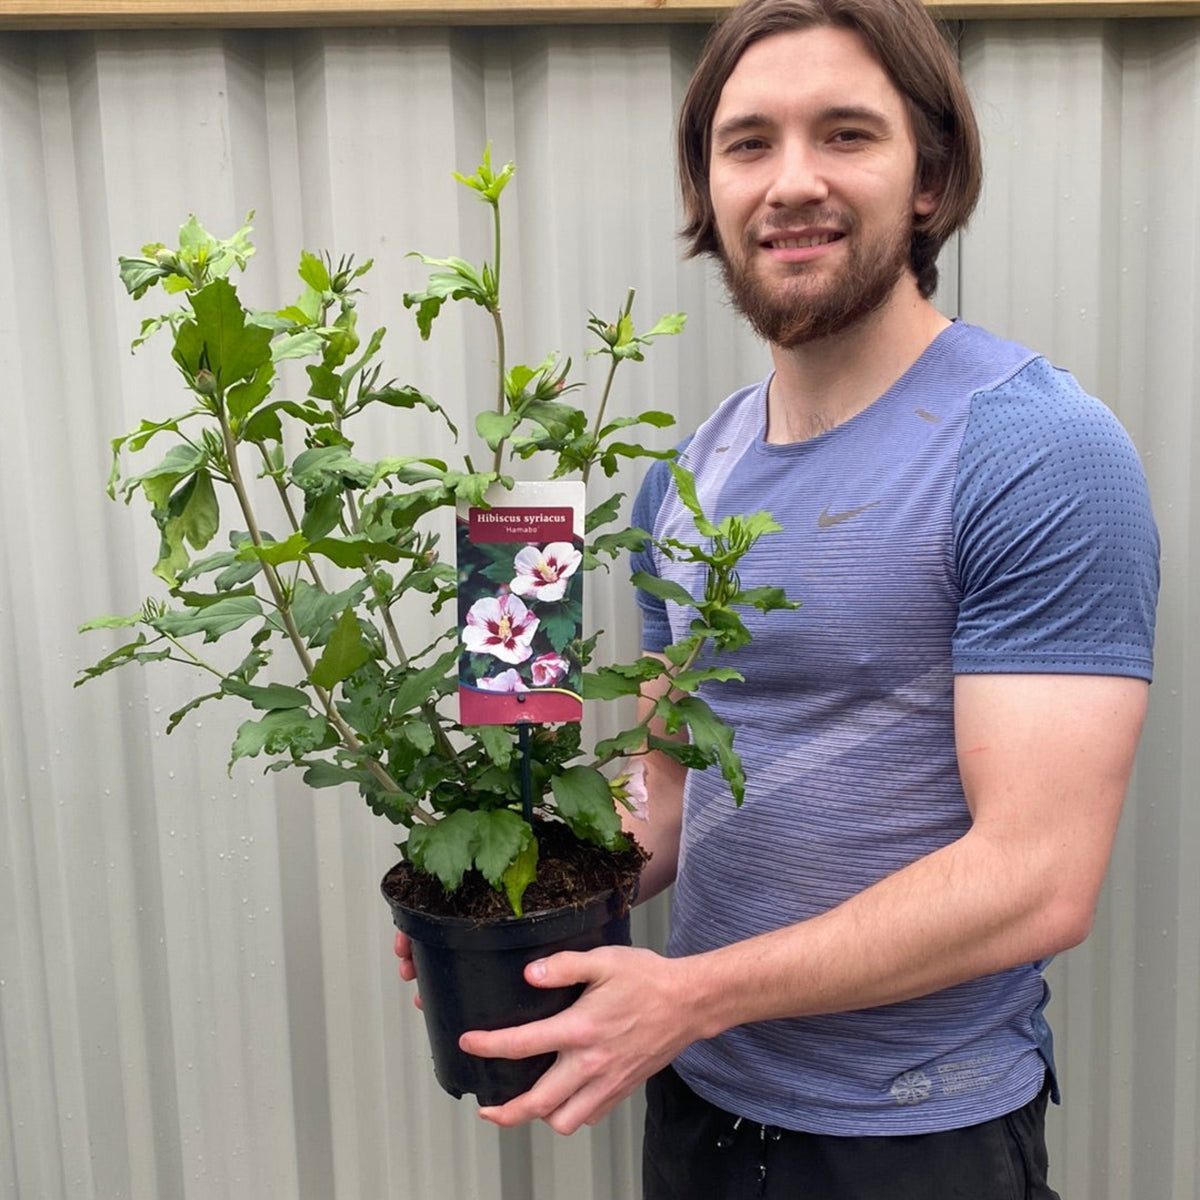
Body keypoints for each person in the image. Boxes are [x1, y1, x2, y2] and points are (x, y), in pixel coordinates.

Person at [395, 0, 1160, 1194]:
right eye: (748, 143)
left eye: (846, 134)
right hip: (699, 1112)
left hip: (916, 1135)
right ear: (708, 188)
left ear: (931, 176)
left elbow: (1038, 878)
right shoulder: (686, 477)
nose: (790, 180)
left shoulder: (1036, 448)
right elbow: (666, 794)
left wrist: (688, 996)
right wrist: (491, 880)